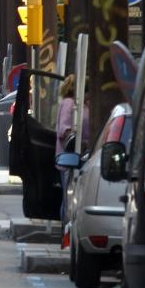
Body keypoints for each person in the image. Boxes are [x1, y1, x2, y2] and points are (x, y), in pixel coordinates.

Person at [55, 74, 89, 218]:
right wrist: (81, 143)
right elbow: (64, 129)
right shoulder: (70, 103)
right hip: (70, 159)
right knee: (69, 200)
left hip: (82, 158)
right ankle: (66, 231)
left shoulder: (83, 104)